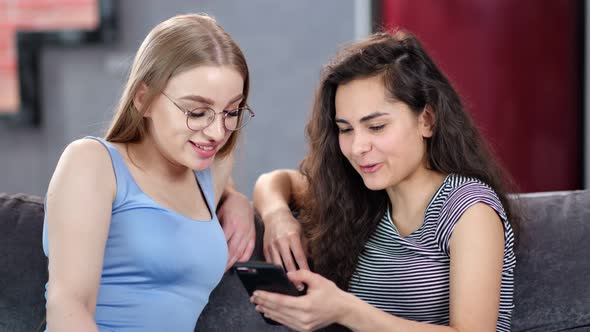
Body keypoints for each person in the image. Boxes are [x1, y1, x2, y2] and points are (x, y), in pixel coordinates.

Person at [252, 30, 518, 332]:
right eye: (346, 129)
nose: (357, 148)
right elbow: (273, 182)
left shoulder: (469, 209)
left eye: (376, 126)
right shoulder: (367, 195)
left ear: (427, 120)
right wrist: (277, 217)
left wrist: (344, 309)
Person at [42, 13, 256, 332]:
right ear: (144, 99)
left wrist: (239, 199)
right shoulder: (91, 162)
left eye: (231, 111)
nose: (217, 132)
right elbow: (68, 305)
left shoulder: (210, 170)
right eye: (197, 112)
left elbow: (291, 184)